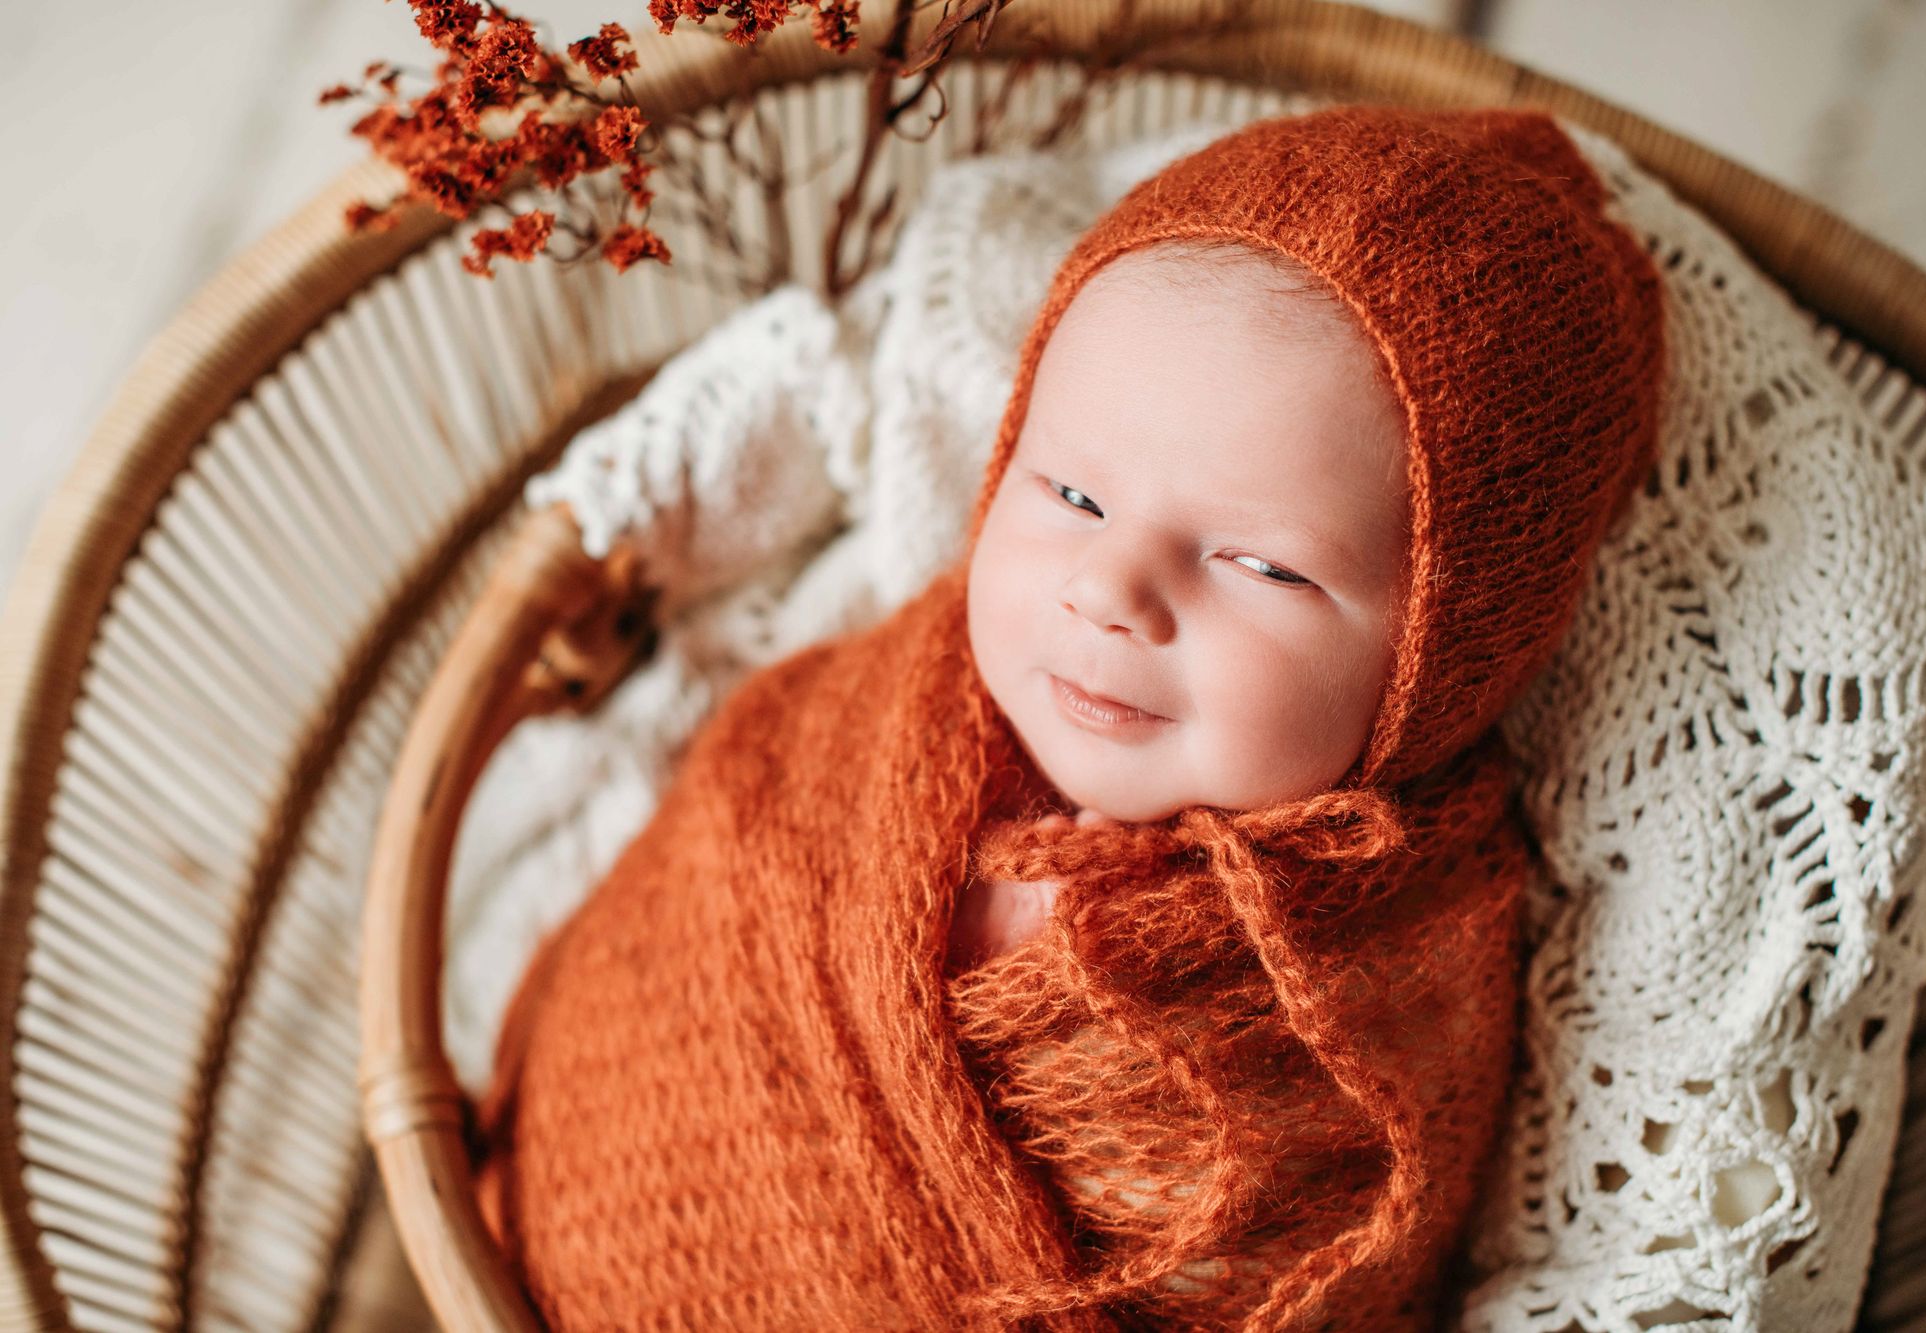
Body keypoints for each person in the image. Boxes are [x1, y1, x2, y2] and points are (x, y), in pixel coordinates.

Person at [470, 103, 1664, 1331]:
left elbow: (1290, 1280)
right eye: (1071, 492)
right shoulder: (885, 702)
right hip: (502, 1199)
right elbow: (716, 862)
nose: (1108, 591)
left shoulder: (1386, 984)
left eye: (1261, 567)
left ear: (1443, 660)